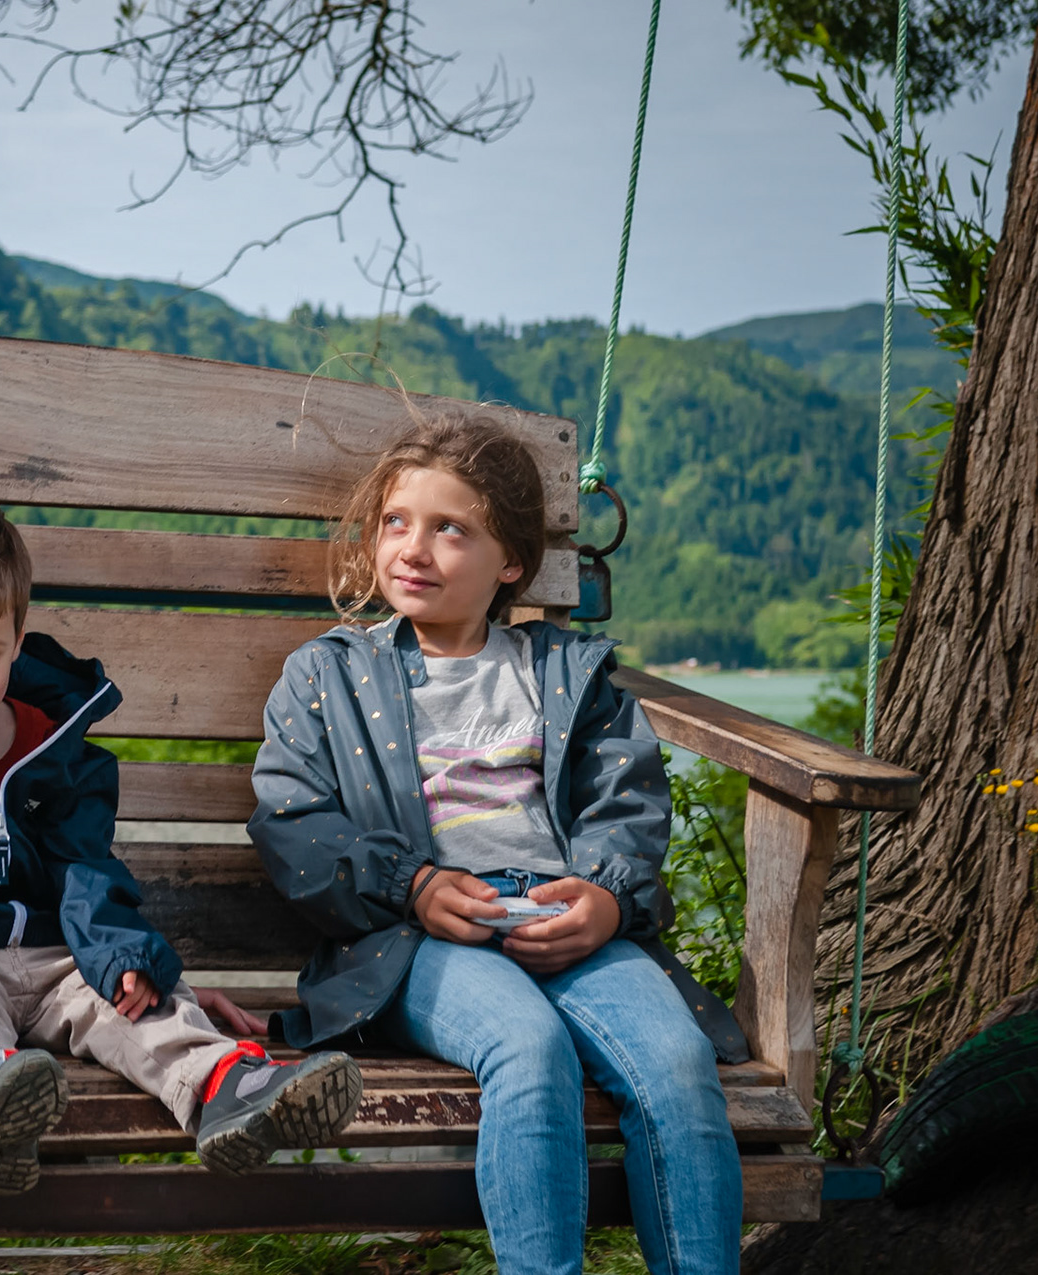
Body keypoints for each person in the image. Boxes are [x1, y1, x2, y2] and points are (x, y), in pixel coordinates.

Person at [248, 422, 746, 1275]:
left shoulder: (565, 670)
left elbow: (622, 801)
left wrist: (607, 899)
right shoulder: (327, 675)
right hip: (416, 939)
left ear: (510, 561)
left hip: (563, 914)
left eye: (452, 529)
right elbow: (293, 823)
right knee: (528, 1044)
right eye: (396, 521)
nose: (415, 547)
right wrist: (414, 884)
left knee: (676, 1061)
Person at [0, 493, 364, 1195]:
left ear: (16, 640)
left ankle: (225, 1084)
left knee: (132, 997)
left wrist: (119, 953)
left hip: (54, 950)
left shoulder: (54, 744)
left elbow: (85, 865)